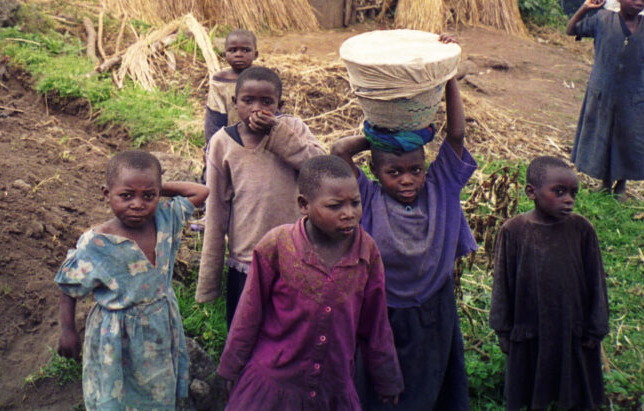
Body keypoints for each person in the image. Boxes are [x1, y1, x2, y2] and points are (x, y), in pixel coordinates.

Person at [332, 35, 477, 411]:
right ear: (375, 174)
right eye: (394, 172)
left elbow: (456, 134)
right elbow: (339, 152)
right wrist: (380, 139)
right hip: (385, 310)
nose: (407, 179)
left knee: (432, 379)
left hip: (434, 306)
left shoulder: (441, 187)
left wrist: (446, 74)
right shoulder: (368, 197)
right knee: (384, 383)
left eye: (415, 169)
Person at [217, 155, 404, 409]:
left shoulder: (366, 253)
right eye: (335, 206)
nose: (348, 214)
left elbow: (376, 325)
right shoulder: (278, 246)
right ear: (304, 205)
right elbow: (248, 313)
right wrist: (231, 367)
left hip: (333, 386)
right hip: (274, 384)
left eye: (355, 203)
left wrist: (387, 378)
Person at [54, 150, 209, 411]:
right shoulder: (97, 243)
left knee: (157, 389)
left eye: (148, 196)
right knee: (116, 392)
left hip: (160, 324)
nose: (138, 204)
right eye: (126, 195)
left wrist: (156, 187)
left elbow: (201, 192)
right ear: (107, 194)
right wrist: (67, 330)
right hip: (116, 334)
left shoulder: (165, 217)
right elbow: (68, 286)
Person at [196, 65, 325, 327]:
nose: (257, 108)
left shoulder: (293, 128)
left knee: (292, 331)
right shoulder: (222, 142)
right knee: (246, 332)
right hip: (246, 258)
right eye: (248, 101)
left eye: (266, 102)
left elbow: (321, 169)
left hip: (296, 254)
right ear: (235, 102)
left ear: (280, 104)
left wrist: (278, 135)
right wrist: (209, 282)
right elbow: (216, 212)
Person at [489, 156, 609, 410]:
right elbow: (502, 283)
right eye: (560, 191)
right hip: (530, 327)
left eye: (573, 193)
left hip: (572, 327)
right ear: (532, 192)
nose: (569, 200)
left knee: (575, 388)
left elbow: (596, 282)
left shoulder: (581, 230)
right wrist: (503, 329)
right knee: (533, 390)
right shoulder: (513, 231)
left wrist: (596, 328)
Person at [566, 0, 644, 198]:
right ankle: (605, 182)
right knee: (603, 134)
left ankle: (622, 186)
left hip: (635, 96)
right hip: (603, 91)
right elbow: (571, 30)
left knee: (629, 137)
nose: (639, 3)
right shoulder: (602, 20)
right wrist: (585, 8)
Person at [204, 29, 258, 146]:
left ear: (256, 54)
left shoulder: (262, 79)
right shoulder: (219, 81)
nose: (238, 54)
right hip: (229, 141)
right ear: (225, 54)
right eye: (233, 50)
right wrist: (211, 147)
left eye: (245, 50)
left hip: (260, 139)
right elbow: (214, 117)